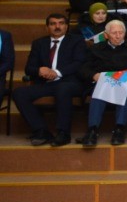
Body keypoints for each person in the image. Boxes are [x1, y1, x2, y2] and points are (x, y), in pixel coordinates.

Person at [14, 14, 86, 147]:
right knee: (19, 93)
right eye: (53, 24)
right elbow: (29, 68)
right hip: (46, 83)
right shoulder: (39, 43)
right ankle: (41, 130)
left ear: (66, 26)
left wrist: (56, 72)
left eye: (61, 23)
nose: (57, 26)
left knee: (62, 88)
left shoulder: (77, 41)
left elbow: (79, 63)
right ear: (47, 27)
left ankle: (63, 133)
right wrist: (39, 70)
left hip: (70, 83)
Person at [77, 19, 127, 148]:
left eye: (121, 32)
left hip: (126, 83)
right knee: (98, 91)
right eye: (114, 33)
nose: (118, 36)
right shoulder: (96, 48)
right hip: (103, 82)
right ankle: (92, 130)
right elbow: (83, 68)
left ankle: (119, 129)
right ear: (106, 35)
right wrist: (94, 75)